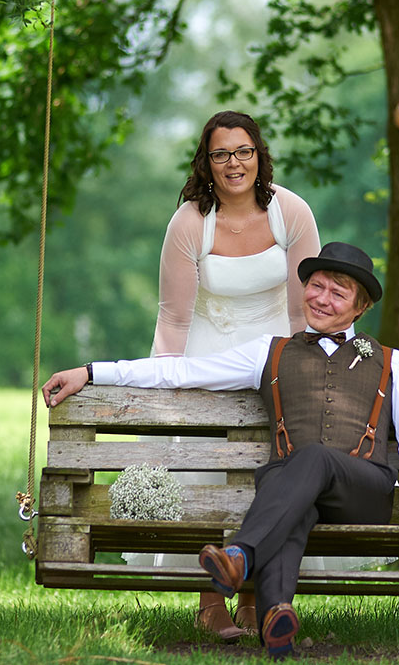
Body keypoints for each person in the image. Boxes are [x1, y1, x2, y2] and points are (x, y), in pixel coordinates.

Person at [43, 242, 399, 659]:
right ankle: (277, 622)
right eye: (316, 285)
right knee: (294, 508)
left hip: (362, 491)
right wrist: (92, 372)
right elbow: (181, 371)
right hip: (291, 492)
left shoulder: (390, 362)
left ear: (360, 306)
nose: (322, 298)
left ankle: (239, 555)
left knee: (312, 457)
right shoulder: (268, 353)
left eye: (338, 292)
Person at [147, 110, 321, 640]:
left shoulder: (289, 212)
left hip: (276, 353)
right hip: (207, 353)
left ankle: (256, 595)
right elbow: (174, 316)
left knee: (269, 469)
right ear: (207, 162)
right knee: (209, 469)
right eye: (221, 154)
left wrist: (309, 371)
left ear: (258, 155)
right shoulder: (189, 222)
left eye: (243, 151)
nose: (233, 163)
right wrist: (165, 386)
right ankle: (210, 600)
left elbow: (306, 311)